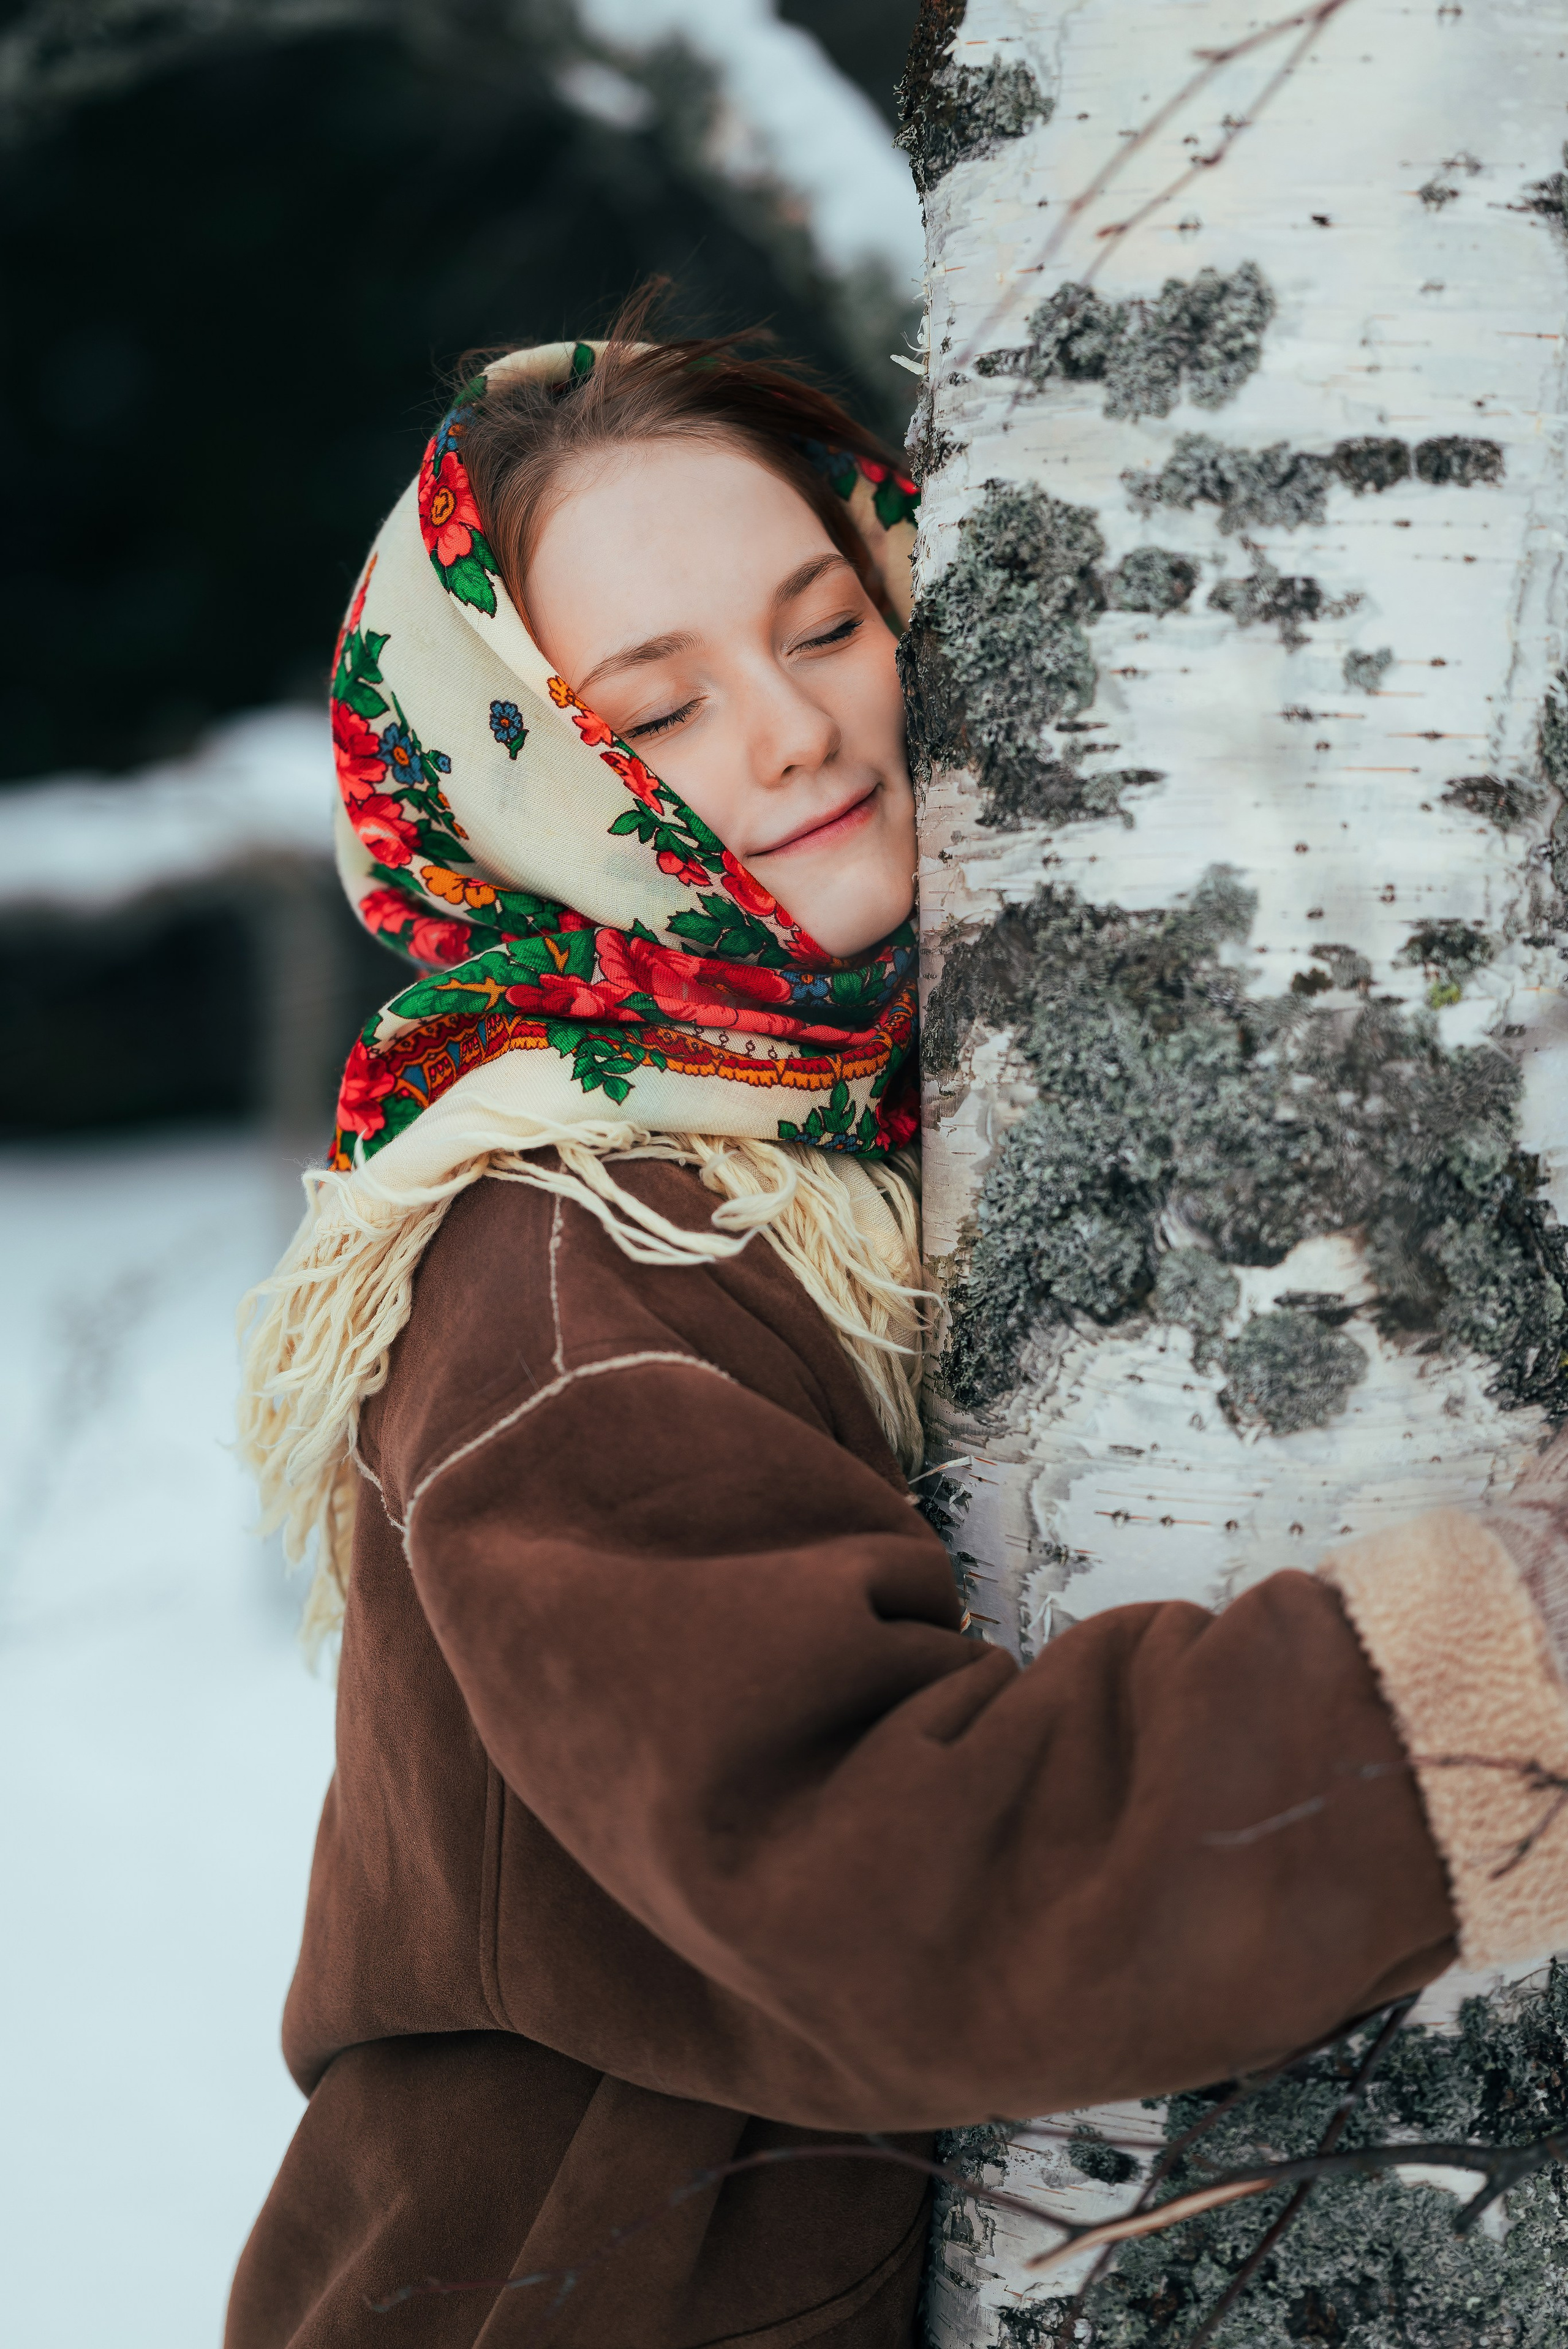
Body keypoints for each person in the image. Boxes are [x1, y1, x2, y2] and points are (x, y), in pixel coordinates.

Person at [230, 315, 1568, 2349]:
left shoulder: (880, 1131)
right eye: (659, 707)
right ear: (506, 780)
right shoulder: (566, 1260)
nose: (792, 732)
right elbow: (887, 1888)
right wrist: (1503, 1675)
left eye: (828, 626)